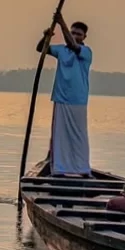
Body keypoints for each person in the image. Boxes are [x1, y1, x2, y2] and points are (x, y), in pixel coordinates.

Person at [36, 12, 92, 176]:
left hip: (78, 99)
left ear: (84, 37)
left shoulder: (86, 51)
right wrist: (46, 37)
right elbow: (41, 48)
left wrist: (61, 23)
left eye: (79, 34)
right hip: (61, 97)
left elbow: (74, 45)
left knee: (79, 135)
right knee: (60, 135)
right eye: (73, 33)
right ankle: (60, 167)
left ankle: (81, 167)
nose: (75, 36)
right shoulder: (61, 50)